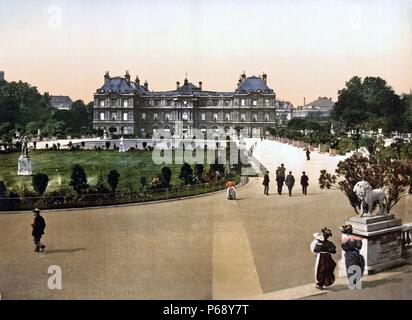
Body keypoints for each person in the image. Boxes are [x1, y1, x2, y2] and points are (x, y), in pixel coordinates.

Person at [341, 225, 365, 289]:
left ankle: (352, 283)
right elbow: (359, 247)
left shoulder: (345, 239)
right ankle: (356, 283)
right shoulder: (357, 238)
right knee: (357, 267)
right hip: (356, 254)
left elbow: (344, 247)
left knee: (350, 268)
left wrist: (349, 248)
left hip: (349, 255)